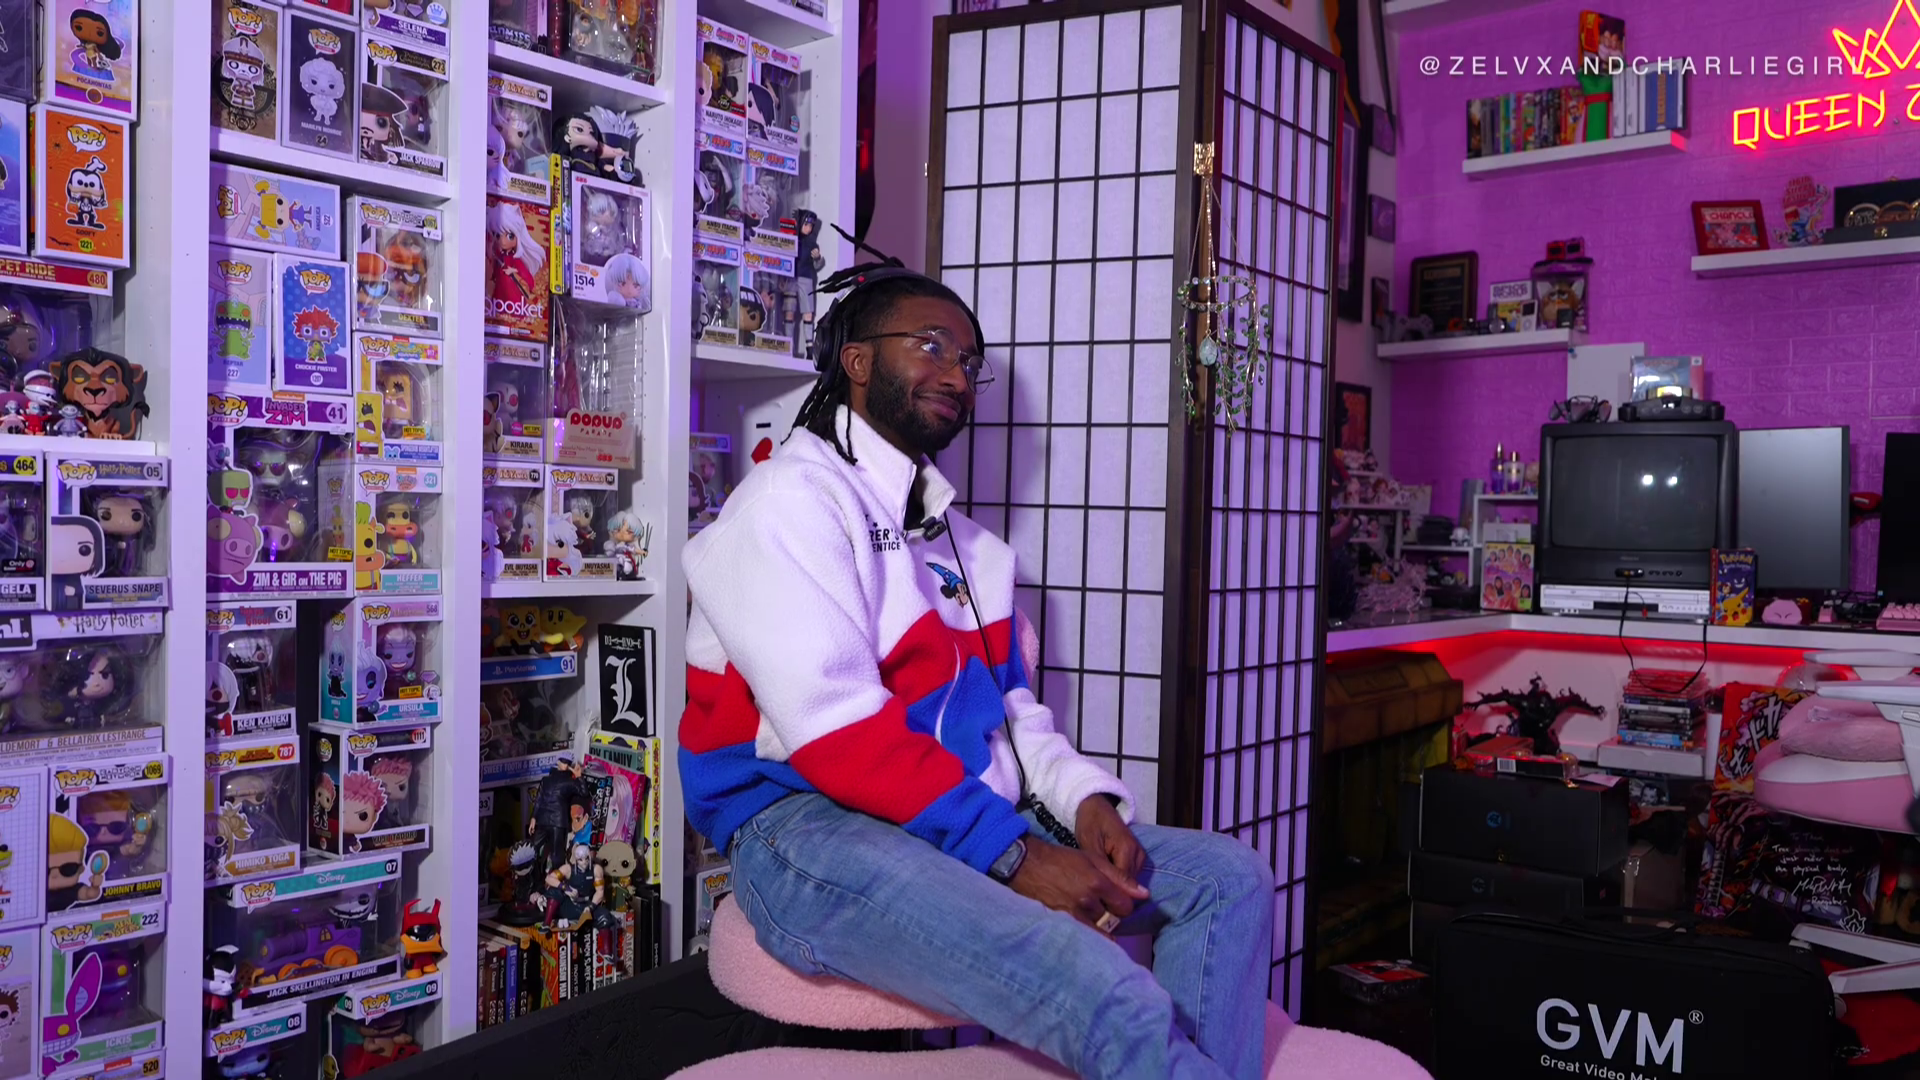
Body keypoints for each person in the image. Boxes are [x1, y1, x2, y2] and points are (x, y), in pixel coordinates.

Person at [680, 243, 1273, 1080]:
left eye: (968, 360)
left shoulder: (972, 550)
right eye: (931, 345)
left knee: (1228, 879)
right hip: (804, 826)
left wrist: (1084, 800)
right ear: (856, 361)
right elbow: (837, 735)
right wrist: (1019, 856)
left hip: (956, 812)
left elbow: (1015, 714)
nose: (957, 374)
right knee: (1103, 988)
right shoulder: (786, 503)